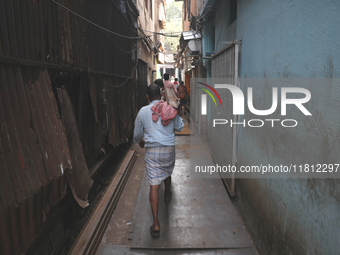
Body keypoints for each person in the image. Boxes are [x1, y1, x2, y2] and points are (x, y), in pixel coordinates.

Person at [133, 84, 184, 237]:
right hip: (168, 149)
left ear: (147, 96)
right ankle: (167, 195)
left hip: (152, 151)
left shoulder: (142, 112)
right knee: (167, 172)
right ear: (161, 94)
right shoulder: (169, 108)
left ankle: (155, 224)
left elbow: (136, 136)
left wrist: (142, 142)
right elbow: (180, 127)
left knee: (154, 184)